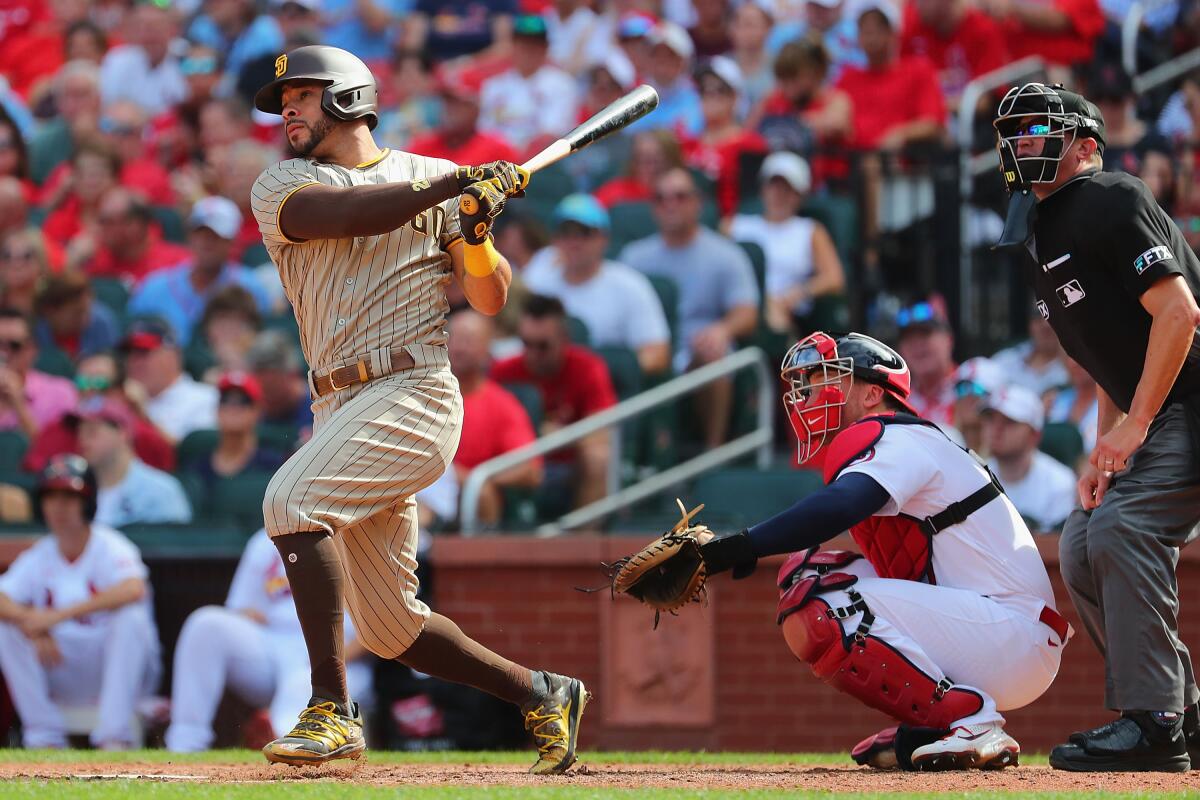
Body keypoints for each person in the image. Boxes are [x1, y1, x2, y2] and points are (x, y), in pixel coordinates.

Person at [249, 45, 589, 771]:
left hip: (414, 390)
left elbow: (490, 298)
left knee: (289, 503)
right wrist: (457, 187)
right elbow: (348, 212)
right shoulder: (284, 185)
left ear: (347, 96)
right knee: (394, 625)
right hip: (337, 403)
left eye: (300, 96)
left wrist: (474, 231)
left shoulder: (434, 181)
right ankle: (542, 692)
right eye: (284, 102)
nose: (286, 112)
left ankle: (331, 709)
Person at [651, 331, 1065, 770]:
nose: (812, 392)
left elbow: (844, 504)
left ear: (872, 394)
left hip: (1012, 634)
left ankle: (967, 719)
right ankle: (936, 722)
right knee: (809, 573)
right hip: (991, 626)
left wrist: (739, 548)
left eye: (829, 378)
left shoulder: (901, 437)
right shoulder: (901, 439)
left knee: (824, 602)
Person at [994, 81, 1200, 771]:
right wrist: (1099, 451)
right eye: (1015, 134)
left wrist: (1136, 424)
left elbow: (1179, 315)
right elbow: (1109, 355)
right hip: (1155, 407)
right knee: (1082, 540)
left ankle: (1155, 722)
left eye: (1039, 132)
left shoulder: (1114, 197)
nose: (1024, 145)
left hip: (1187, 403)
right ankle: (1180, 714)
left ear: (1085, 146)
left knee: (1123, 528)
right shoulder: (1036, 230)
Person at [0, 455, 161, 749]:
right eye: (51, 497)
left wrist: (55, 617)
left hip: (112, 667)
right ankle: (43, 736)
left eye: (69, 497)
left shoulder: (110, 544)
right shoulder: (40, 554)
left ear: (87, 501)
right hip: (63, 664)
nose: (59, 507)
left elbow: (133, 588)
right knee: (6, 628)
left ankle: (115, 735)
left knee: (131, 617)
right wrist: (31, 621)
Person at [165, 529, 374, 752]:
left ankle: (282, 738)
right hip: (274, 643)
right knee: (205, 624)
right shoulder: (268, 536)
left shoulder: (362, 533)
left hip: (341, 653)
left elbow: (382, 623)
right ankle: (184, 744)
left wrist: (332, 663)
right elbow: (243, 607)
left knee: (305, 681)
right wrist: (252, 617)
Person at [621, 168, 759, 447]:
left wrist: (722, 329)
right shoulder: (634, 256)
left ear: (698, 203)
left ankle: (712, 454)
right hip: (649, 348)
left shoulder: (725, 254)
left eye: (680, 196)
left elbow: (747, 312)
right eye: (661, 198)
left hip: (698, 348)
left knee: (713, 356)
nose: (670, 204)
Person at [491, 295, 617, 512]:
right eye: (526, 344)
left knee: (598, 457)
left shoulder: (588, 368)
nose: (533, 354)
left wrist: (558, 435)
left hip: (569, 464)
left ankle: (584, 541)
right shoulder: (503, 371)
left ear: (564, 339)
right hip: (520, 462)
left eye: (543, 346)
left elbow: (602, 434)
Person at [523, 194, 671, 376]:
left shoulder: (630, 285)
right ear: (555, 239)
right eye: (566, 233)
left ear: (604, 238)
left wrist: (608, 371)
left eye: (584, 233)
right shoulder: (540, 284)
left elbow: (657, 354)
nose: (574, 242)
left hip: (611, 391)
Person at [127, 196, 272, 346]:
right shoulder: (154, 287)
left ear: (232, 241)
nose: (206, 242)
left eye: (215, 236)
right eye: (200, 234)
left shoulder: (251, 287)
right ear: (189, 236)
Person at [728, 152, 846, 335]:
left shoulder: (809, 230)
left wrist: (799, 292)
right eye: (773, 186)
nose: (779, 195)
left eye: (787, 189)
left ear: (800, 195)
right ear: (763, 189)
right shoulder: (736, 225)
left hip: (784, 309)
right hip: (739, 303)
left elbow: (834, 278)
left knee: (774, 314)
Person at [447, 310, 541, 528]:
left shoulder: (502, 403)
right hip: (419, 481)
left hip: (467, 498)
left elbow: (531, 470)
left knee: (482, 493)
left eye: (469, 341)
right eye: (455, 339)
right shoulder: (422, 395)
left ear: (487, 350)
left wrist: (477, 479)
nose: (460, 348)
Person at [24, 352, 175, 474]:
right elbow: (35, 473)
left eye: (99, 382)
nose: (90, 392)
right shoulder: (57, 430)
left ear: (120, 391)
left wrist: (142, 414)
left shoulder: (143, 435)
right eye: (82, 382)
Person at [75, 395, 192, 528]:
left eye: (91, 432)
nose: (82, 441)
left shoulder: (160, 492)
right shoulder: (72, 492)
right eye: (79, 434)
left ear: (122, 433)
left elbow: (173, 546)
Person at [478, 15, 579, 155]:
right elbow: (484, 132)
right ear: (513, 46)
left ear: (545, 48)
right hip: (495, 160)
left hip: (540, 162)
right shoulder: (494, 86)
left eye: (535, 44)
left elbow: (552, 136)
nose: (528, 50)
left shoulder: (562, 84)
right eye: (523, 43)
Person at [982, 385, 1078, 534]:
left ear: (1035, 435)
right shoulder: (975, 474)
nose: (996, 429)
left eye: (1009, 421)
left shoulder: (1060, 481)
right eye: (990, 419)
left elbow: (1055, 549)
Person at [180, 371, 288, 502]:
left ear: (258, 411)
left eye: (243, 401)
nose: (233, 408)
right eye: (225, 400)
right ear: (217, 409)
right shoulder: (196, 468)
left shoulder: (273, 466)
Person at [119, 318, 218, 443]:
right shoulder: (121, 400)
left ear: (173, 355)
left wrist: (143, 416)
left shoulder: (205, 398)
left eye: (143, 352)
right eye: (129, 353)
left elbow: (191, 457)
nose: (134, 361)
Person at [77, 187, 190, 283]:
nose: (98, 229)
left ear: (134, 226)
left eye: (105, 222)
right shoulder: (94, 259)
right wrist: (73, 261)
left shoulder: (177, 264)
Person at [0, 307, 78, 437]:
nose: (3, 352)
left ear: (31, 349)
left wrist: (19, 405)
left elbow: (55, 451)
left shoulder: (60, 393)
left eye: (14, 345)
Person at [894, 300, 958, 428]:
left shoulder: (971, 388)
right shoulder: (896, 401)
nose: (917, 344)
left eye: (925, 334)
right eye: (908, 338)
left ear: (948, 340)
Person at [33, 270, 121, 362]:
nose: (86, 318)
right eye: (78, 313)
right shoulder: (37, 330)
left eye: (89, 310)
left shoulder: (102, 322)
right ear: (51, 311)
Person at [244, 330, 313, 444]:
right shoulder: (251, 409)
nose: (266, 394)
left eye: (272, 387)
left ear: (293, 375)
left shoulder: (317, 405)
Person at [990, 314, 1070, 396]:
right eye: (1038, 318)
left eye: (1053, 319)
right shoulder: (1007, 359)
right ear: (1030, 325)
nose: (1046, 324)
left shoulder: (1074, 368)